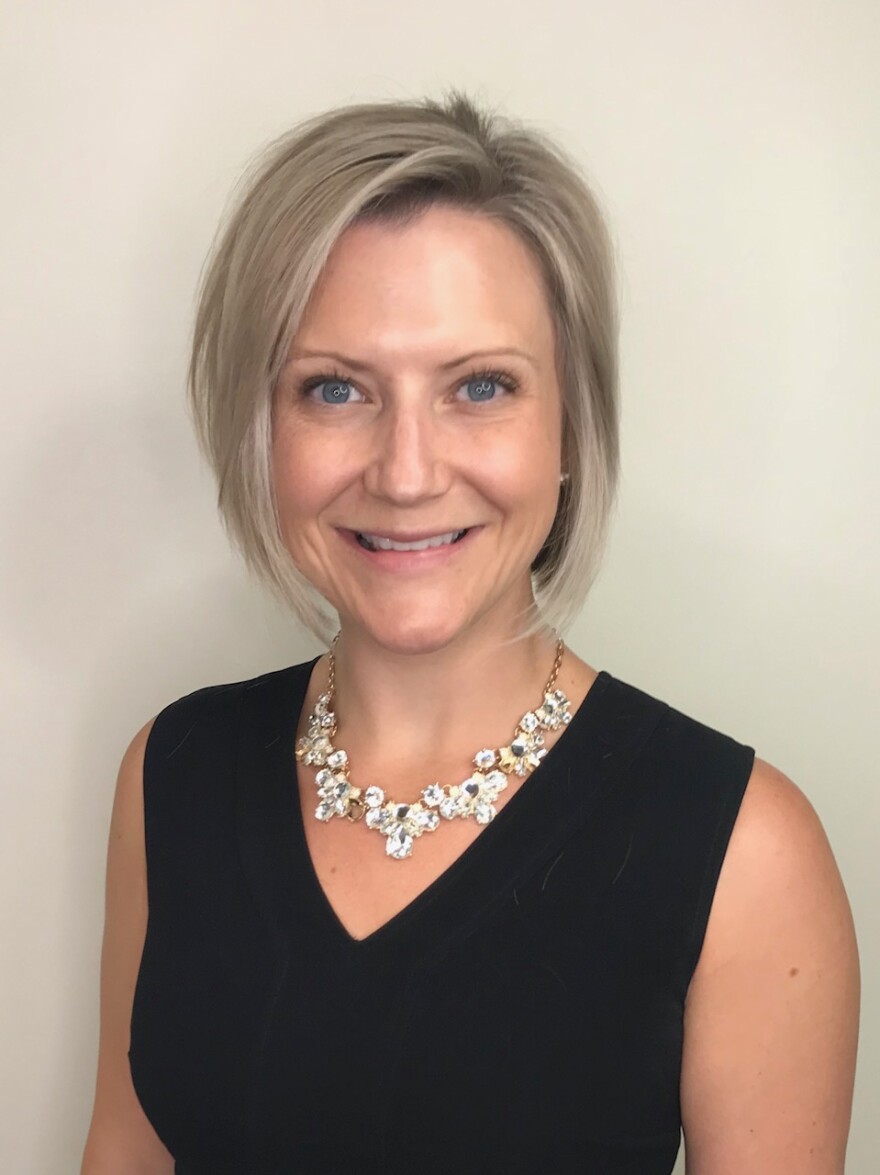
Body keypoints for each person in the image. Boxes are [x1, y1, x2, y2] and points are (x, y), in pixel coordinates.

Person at [81, 91, 859, 1175]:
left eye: (480, 386)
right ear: (261, 428)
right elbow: (124, 1151)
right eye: (336, 387)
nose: (405, 471)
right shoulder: (170, 770)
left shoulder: (742, 849)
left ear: (570, 429)